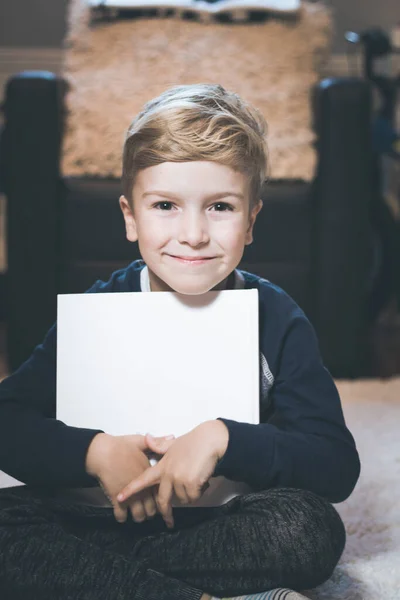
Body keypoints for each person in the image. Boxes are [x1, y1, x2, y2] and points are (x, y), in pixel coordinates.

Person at [0, 83, 360, 600]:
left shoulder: (276, 316)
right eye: (166, 205)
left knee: (309, 530)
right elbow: (8, 419)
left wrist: (224, 439)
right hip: (96, 515)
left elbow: (334, 463)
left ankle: (113, 584)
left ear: (252, 220)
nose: (192, 234)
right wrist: (94, 451)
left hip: (223, 523)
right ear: (130, 216)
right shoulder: (102, 305)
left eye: (220, 207)